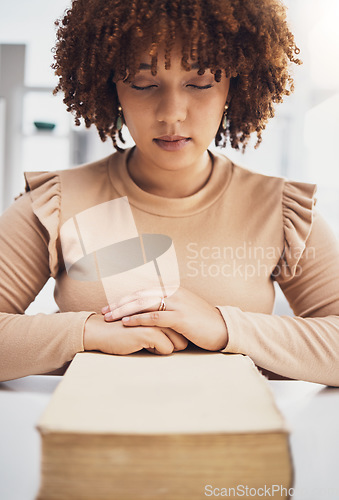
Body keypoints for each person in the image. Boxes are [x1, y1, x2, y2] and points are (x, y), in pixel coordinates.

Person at [1, 0, 339, 385]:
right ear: (112, 88)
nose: (172, 113)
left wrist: (225, 327)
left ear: (235, 84)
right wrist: (88, 331)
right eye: (143, 84)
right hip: (93, 437)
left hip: (233, 440)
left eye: (199, 83)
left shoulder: (281, 211)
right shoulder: (54, 204)